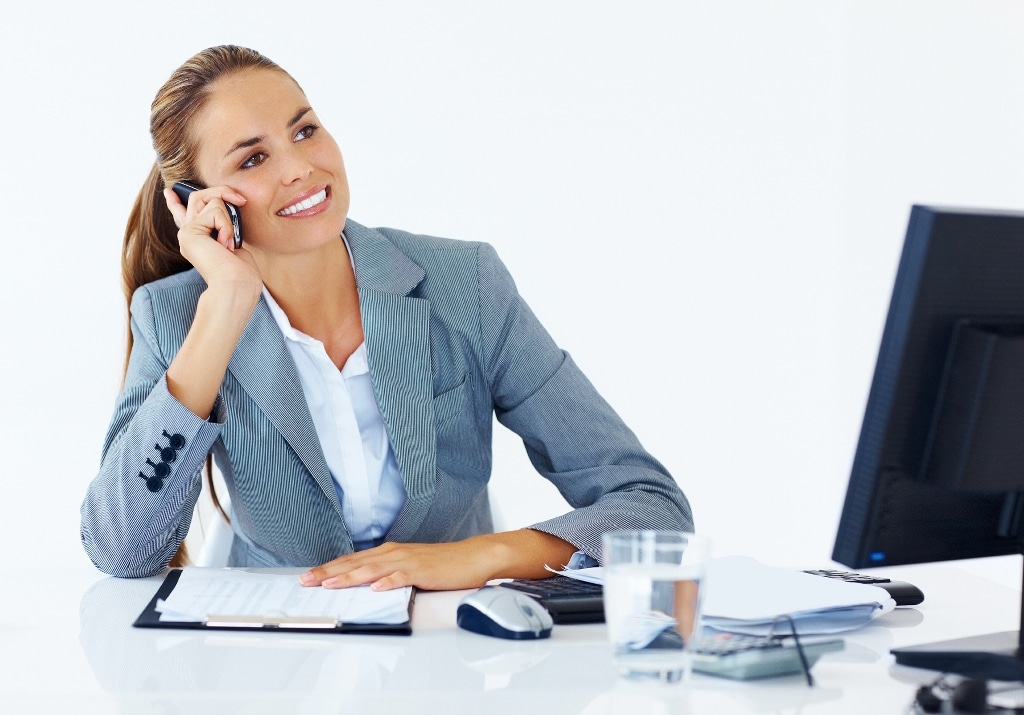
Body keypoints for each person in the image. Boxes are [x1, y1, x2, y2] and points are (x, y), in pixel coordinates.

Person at [80, 45, 693, 591]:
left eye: (305, 131)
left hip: (452, 651)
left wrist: (483, 557)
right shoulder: (174, 317)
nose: (298, 168)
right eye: (251, 160)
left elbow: (652, 508)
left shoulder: (465, 284)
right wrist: (224, 311)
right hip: (273, 662)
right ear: (193, 202)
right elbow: (122, 550)